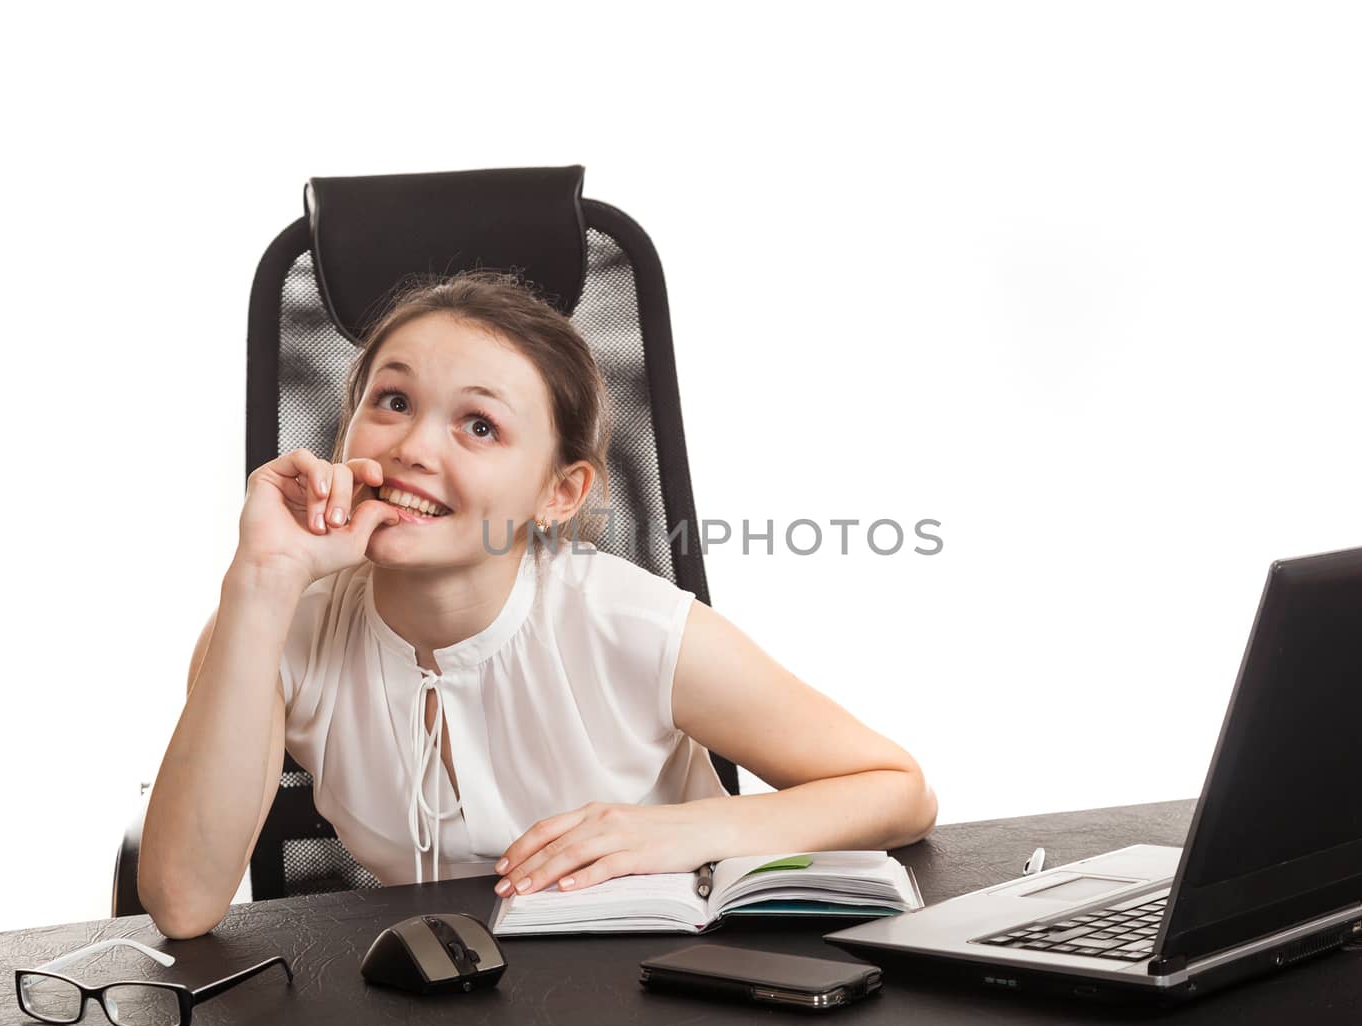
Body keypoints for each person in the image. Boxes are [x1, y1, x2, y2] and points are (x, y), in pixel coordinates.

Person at [139, 269, 938, 939]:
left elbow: (898, 786)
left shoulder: (627, 623)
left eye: (479, 425)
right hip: (436, 1003)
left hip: (666, 988)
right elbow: (181, 902)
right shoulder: (277, 622)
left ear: (561, 493)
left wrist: (672, 832)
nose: (414, 447)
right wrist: (264, 576)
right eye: (391, 402)